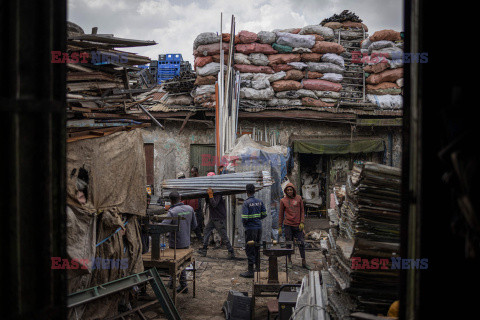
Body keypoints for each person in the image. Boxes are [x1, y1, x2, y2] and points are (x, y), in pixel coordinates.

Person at [162, 191, 197, 293]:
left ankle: (183, 285)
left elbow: (163, 227)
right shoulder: (190, 209)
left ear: (171, 201)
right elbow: (195, 226)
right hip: (186, 242)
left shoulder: (172, 212)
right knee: (180, 263)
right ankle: (173, 282)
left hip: (175, 243)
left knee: (176, 264)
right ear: (180, 198)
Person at [197, 172, 236, 259]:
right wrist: (207, 195)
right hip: (213, 217)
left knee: (223, 235)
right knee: (206, 231)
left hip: (218, 218)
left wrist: (210, 195)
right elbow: (208, 203)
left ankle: (231, 251)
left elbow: (214, 204)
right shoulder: (213, 191)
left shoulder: (218, 192)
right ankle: (204, 250)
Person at [278, 183, 311, 270]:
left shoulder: (299, 198)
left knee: (301, 243)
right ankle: (289, 261)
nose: (289, 191)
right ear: (286, 191)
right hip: (288, 225)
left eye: (291, 190)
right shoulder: (283, 201)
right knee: (288, 243)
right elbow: (281, 214)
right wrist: (280, 227)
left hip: (298, 225)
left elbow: (302, 211)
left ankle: (304, 262)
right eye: (288, 190)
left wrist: (302, 222)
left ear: (293, 190)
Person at [240, 184, 267, 278]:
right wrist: (257, 219)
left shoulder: (246, 203)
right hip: (259, 228)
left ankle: (251, 271)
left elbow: (245, 218)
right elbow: (264, 214)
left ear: (247, 192)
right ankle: (258, 268)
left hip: (250, 229)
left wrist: (245, 225)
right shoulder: (259, 202)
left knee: (250, 248)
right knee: (257, 247)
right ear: (254, 191)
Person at [177, 170, 203, 241]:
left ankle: (198, 238)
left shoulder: (187, 185)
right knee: (189, 223)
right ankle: (193, 238)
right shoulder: (182, 186)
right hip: (188, 208)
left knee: (193, 223)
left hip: (191, 207)